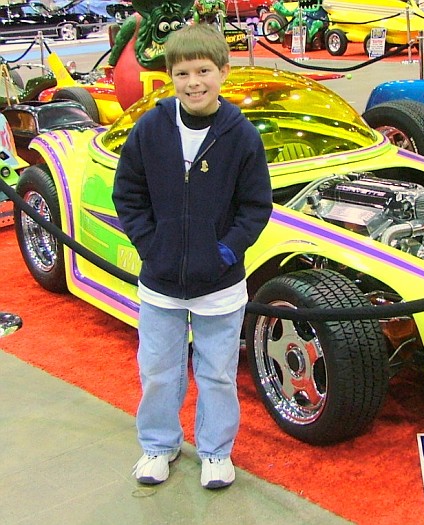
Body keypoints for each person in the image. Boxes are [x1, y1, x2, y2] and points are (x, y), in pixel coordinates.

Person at [112, 23, 272, 489]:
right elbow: (129, 193)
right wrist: (151, 244)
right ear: (169, 76)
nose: (194, 82)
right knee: (159, 370)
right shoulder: (151, 128)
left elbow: (255, 206)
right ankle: (158, 446)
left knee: (218, 373)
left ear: (223, 72)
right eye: (182, 73)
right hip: (160, 284)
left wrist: (225, 250)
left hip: (220, 286)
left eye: (204, 70)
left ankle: (216, 452)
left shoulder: (242, 136)